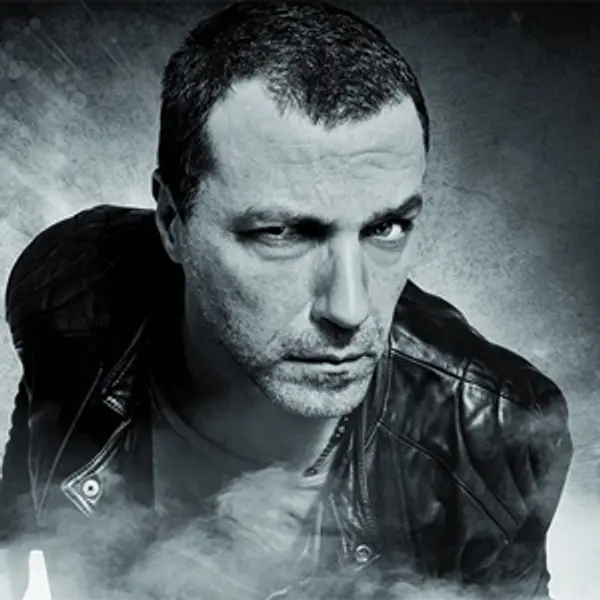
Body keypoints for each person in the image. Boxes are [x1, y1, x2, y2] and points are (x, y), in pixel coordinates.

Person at [0, 2, 572, 599]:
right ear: (172, 222)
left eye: (386, 228)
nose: (350, 309)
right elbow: (28, 462)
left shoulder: (496, 438)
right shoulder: (68, 287)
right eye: (282, 233)